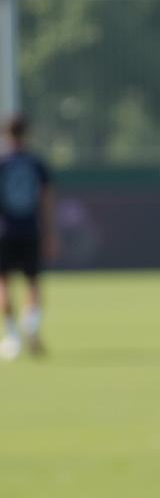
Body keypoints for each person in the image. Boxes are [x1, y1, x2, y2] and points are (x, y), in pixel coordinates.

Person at [0, 114, 55, 360]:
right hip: (30, 229)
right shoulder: (35, 163)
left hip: (4, 230)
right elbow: (46, 200)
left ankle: (12, 336)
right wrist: (49, 231)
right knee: (32, 282)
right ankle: (31, 329)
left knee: (4, 283)